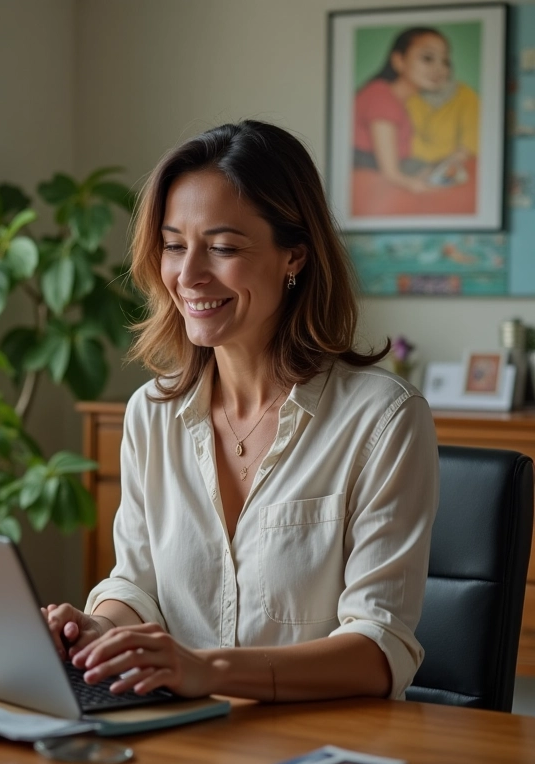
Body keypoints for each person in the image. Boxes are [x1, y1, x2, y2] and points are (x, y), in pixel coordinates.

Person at [45, 120, 439, 703]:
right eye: (175, 245)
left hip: (326, 743)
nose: (189, 275)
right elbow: (137, 582)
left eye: (223, 248)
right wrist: (102, 628)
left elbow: (380, 648)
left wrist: (210, 670)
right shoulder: (151, 413)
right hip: (182, 737)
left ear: (294, 257)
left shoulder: (383, 419)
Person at [353, 27, 455, 193]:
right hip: (368, 174)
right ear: (399, 60)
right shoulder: (381, 97)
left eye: (445, 61)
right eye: (428, 58)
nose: (439, 68)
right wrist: (418, 186)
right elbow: (391, 173)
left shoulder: (401, 100)